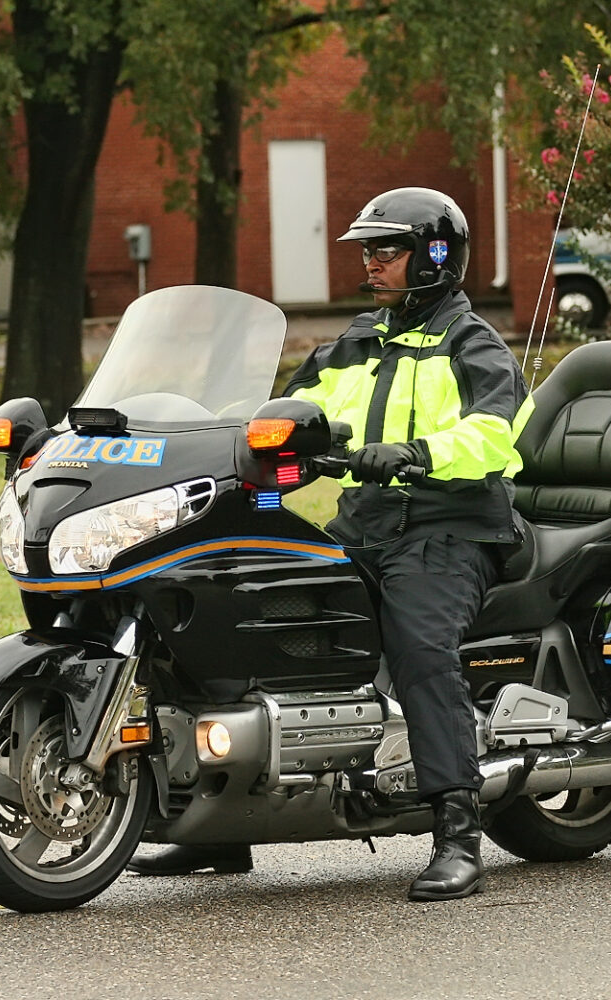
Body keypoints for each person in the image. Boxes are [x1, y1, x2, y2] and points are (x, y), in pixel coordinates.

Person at [128, 187, 528, 901]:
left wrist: (412, 453)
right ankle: (216, 827)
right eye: (366, 250)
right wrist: (204, 437)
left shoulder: (474, 344)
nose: (370, 262)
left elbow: (498, 433)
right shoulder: (357, 344)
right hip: (367, 526)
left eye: (387, 250)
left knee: (418, 646)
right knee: (246, 609)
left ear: (435, 257)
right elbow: (277, 412)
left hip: (452, 526)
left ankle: (458, 831)